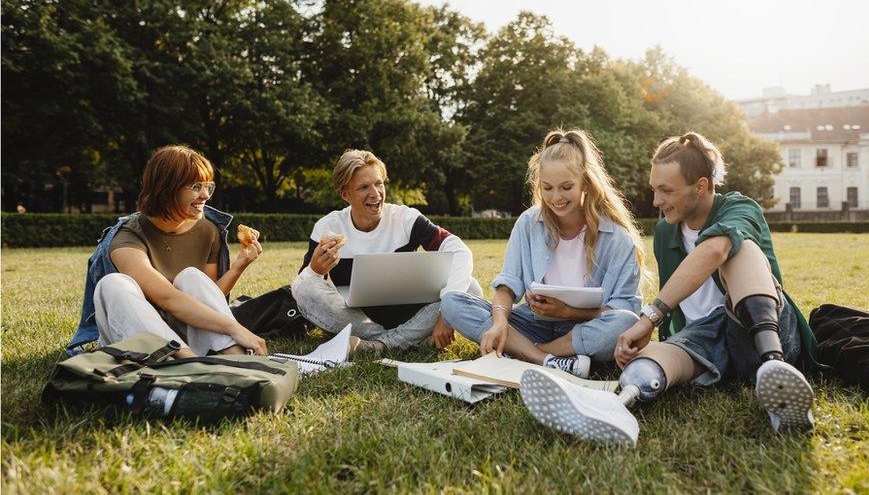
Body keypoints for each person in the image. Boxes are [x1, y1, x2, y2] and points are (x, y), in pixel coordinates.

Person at [519, 132, 820, 445]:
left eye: (666, 191)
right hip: (704, 341)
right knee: (647, 360)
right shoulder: (665, 230)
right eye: (654, 189)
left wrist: (649, 318)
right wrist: (649, 342)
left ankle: (774, 369)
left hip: (763, 334)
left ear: (700, 186)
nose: (656, 201)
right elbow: (679, 310)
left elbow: (714, 252)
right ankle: (614, 406)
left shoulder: (739, 208)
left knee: (739, 250)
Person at [440, 129, 647, 378]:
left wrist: (569, 313)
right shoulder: (529, 223)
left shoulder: (617, 238)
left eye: (566, 187)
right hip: (533, 324)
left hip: (586, 328)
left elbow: (626, 310)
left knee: (627, 322)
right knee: (452, 302)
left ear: (586, 183)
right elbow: (507, 285)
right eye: (547, 188)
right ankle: (547, 360)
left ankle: (528, 354)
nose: (556, 197)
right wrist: (500, 322)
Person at [66, 145, 267, 359]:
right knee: (112, 284)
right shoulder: (126, 238)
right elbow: (167, 299)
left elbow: (208, 297)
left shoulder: (208, 230)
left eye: (208, 186)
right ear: (167, 188)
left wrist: (238, 266)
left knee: (191, 276)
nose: (206, 195)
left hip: (187, 330)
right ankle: (187, 361)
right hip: (139, 337)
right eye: (196, 186)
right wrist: (236, 328)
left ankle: (230, 353)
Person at [291, 149, 482, 356]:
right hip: (361, 322)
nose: (375, 193)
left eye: (379, 183)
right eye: (364, 187)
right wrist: (315, 270)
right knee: (304, 288)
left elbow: (458, 249)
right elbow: (306, 289)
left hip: (413, 315)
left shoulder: (405, 219)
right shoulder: (327, 227)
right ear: (345, 194)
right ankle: (410, 340)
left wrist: (446, 312)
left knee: (471, 288)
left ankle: (382, 346)